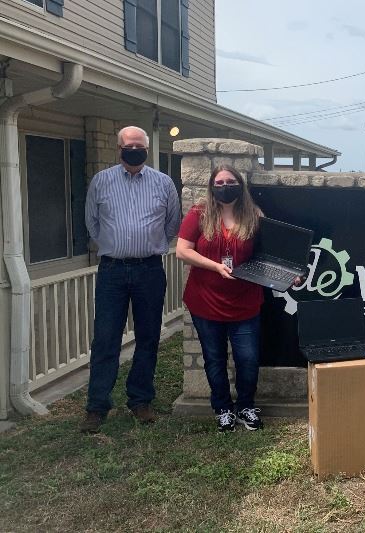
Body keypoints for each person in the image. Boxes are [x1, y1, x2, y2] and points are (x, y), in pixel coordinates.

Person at [176, 165, 301, 432]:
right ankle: (223, 408)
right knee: (214, 358)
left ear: (240, 185)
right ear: (211, 186)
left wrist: (287, 275)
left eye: (230, 181)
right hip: (205, 301)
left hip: (245, 302)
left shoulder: (254, 215)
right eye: (219, 182)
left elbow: (268, 255)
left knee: (247, 358)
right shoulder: (199, 214)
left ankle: (245, 406)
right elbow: (182, 251)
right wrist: (216, 266)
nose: (224, 186)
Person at [80, 126, 181, 433]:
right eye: (129, 145)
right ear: (119, 148)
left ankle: (140, 400)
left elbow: (172, 223)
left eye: (140, 146)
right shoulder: (102, 181)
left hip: (149, 270)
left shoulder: (163, 183)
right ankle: (97, 406)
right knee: (106, 338)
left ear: (146, 150)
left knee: (149, 337)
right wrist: (118, 248)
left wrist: (146, 247)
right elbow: (92, 224)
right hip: (112, 270)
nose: (134, 149)